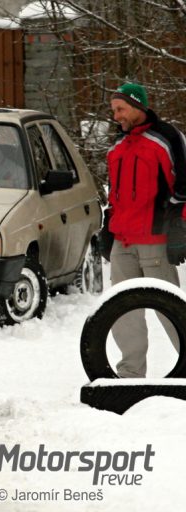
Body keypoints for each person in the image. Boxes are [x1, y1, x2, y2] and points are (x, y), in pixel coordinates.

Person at [104, 82, 186, 378]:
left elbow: (184, 188)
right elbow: (114, 193)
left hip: (155, 240)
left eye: (120, 109)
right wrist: (107, 225)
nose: (116, 116)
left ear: (138, 105)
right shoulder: (117, 146)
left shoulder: (166, 138)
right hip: (122, 242)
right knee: (123, 312)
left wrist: (180, 228)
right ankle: (130, 374)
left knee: (171, 310)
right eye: (114, 110)